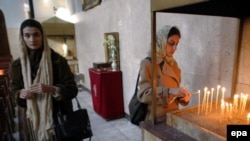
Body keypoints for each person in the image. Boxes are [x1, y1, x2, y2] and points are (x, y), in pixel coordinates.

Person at [10, 19, 78, 141]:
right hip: (32, 120)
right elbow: (14, 89)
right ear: (22, 38)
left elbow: (73, 90)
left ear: (42, 35)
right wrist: (20, 94)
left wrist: (51, 89)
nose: (32, 39)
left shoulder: (57, 61)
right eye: (27, 35)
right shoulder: (17, 66)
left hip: (58, 118)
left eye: (36, 34)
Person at [137, 25, 191, 121]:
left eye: (177, 44)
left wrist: (182, 97)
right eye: (171, 43)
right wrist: (169, 90)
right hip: (156, 119)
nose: (175, 48)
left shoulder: (173, 64)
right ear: (161, 42)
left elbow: (174, 92)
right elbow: (143, 95)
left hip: (173, 117)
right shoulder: (148, 63)